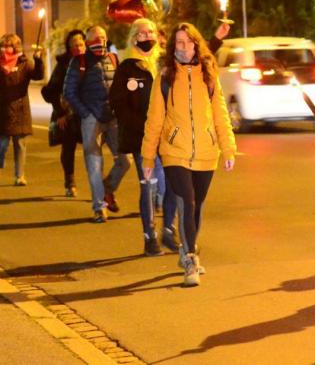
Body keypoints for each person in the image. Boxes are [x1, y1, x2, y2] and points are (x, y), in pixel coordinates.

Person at [141, 22, 237, 287]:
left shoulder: (208, 75)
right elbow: (154, 119)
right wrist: (148, 157)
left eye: (188, 42)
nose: (183, 47)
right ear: (173, 46)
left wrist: (228, 147)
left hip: (207, 152)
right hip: (175, 152)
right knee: (187, 202)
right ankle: (191, 260)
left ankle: (186, 247)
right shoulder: (165, 76)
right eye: (178, 43)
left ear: (196, 44)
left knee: (197, 207)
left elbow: (220, 114)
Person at [109, 18, 179, 256]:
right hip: (142, 140)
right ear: (133, 37)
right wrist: (146, 128)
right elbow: (119, 104)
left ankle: (169, 229)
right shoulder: (127, 67)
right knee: (148, 186)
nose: (146, 36)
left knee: (173, 184)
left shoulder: (163, 65)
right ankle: (150, 237)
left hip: (168, 138)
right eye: (141, 33)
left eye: (150, 32)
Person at [63, 25, 130, 222]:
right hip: (91, 119)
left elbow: (120, 85)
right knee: (94, 164)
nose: (100, 41)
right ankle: (99, 208)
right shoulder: (79, 62)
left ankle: (107, 190)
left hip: (113, 118)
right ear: (87, 40)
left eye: (103, 37)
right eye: (95, 37)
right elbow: (69, 92)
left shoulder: (112, 59)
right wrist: (85, 113)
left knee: (125, 160)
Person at [0, 33, 44, 186]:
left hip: (20, 109)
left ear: (16, 47)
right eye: (3, 46)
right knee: (2, 143)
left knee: (20, 144)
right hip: (1, 109)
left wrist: (39, 60)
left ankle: (19, 175)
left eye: (9, 46)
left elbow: (38, 75)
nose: (5, 49)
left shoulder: (24, 63)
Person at [42, 29, 86, 197]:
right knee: (68, 148)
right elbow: (49, 91)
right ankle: (70, 181)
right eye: (74, 45)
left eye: (81, 44)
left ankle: (98, 185)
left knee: (92, 149)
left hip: (87, 113)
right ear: (69, 47)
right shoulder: (63, 66)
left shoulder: (91, 62)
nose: (78, 48)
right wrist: (60, 112)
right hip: (67, 114)